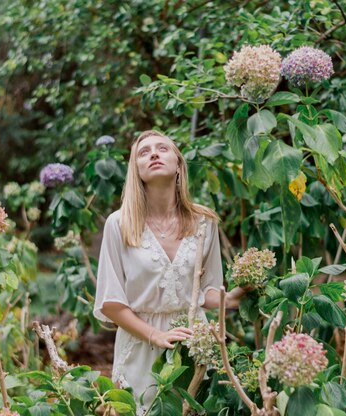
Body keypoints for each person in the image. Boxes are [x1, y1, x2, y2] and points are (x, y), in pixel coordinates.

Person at [94, 130, 245, 413]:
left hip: (193, 342)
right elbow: (111, 303)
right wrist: (155, 335)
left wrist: (237, 296)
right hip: (140, 346)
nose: (153, 153)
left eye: (162, 148)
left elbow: (207, 292)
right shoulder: (119, 224)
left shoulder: (204, 222)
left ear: (178, 164)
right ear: (136, 170)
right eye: (143, 152)